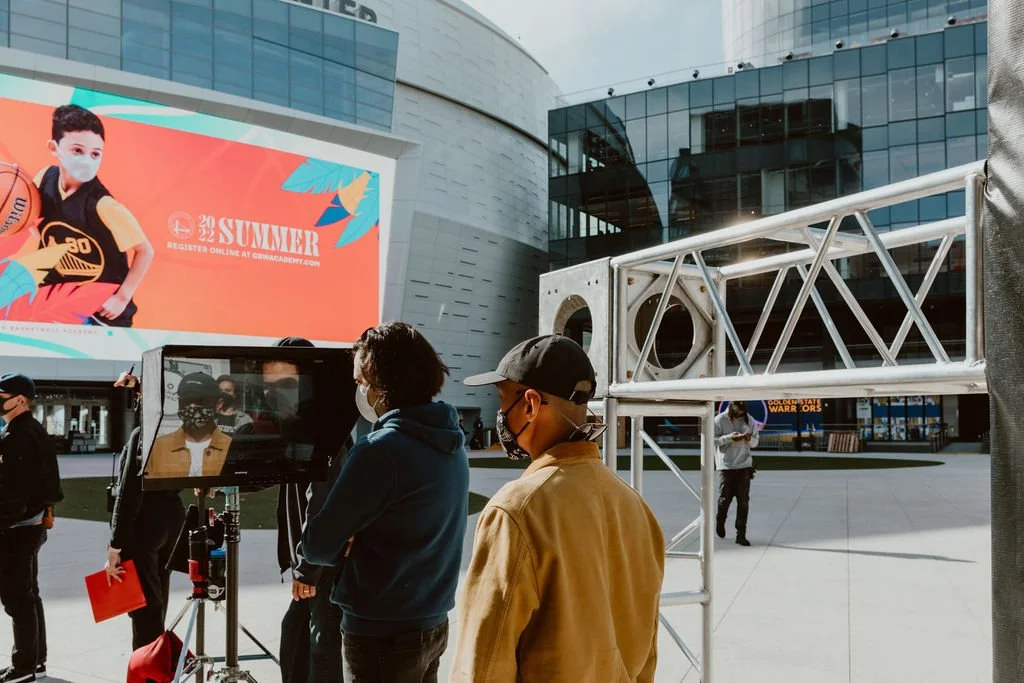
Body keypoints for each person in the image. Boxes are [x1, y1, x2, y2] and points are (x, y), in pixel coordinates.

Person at [450, 334, 664, 682]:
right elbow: (647, 657)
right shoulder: (636, 507)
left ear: (531, 405)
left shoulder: (516, 510)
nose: (501, 415)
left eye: (504, 401)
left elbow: (483, 665)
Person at [302, 322, 469, 682]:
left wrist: (347, 539)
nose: (360, 391)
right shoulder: (452, 442)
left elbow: (316, 545)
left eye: (362, 382)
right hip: (434, 623)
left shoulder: (380, 451)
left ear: (382, 384)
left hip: (381, 633)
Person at [264, 336, 349, 683]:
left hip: (323, 560)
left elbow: (323, 499)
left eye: (285, 384)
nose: (274, 393)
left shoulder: (323, 425)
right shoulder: (297, 423)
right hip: (315, 558)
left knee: (320, 646)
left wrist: (307, 569)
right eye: (268, 386)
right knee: (299, 638)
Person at [32, 104, 154, 327]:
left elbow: (145, 251)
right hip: (57, 296)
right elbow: (29, 220)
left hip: (99, 310)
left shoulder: (104, 206)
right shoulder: (44, 178)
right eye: (77, 150)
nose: (87, 159)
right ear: (53, 147)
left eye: (95, 154)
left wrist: (122, 297)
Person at [105, 372, 187, 656]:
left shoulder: (142, 436)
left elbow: (128, 495)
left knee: (143, 608)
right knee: (157, 599)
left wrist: (115, 544)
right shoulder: (177, 433)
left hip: (145, 525)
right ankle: (154, 663)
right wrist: (139, 385)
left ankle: (147, 668)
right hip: (171, 520)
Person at [0, 373, 63, 683]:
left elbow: (14, 494)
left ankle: (24, 667)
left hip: (16, 529)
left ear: (20, 399)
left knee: (18, 599)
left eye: (2, 396)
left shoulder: (18, 436)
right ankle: (35, 661)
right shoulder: (32, 431)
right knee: (29, 595)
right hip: (31, 525)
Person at [144, 373, 231, 479]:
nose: (192, 406)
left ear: (218, 404)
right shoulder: (158, 447)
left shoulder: (230, 446)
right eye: (186, 400)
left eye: (200, 400)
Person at [714, 400, 759, 547]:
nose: (740, 415)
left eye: (742, 412)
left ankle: (741, 535)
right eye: (738, 413)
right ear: (731, 409)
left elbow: (755, 443)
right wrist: (729, 438)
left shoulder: (749, 419)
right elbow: (712, 441)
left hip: (744, 465)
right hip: (726, 466)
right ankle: (720, 521)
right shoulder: (719, 420)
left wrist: (748, 438)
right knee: (724, 499)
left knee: (743, 502)